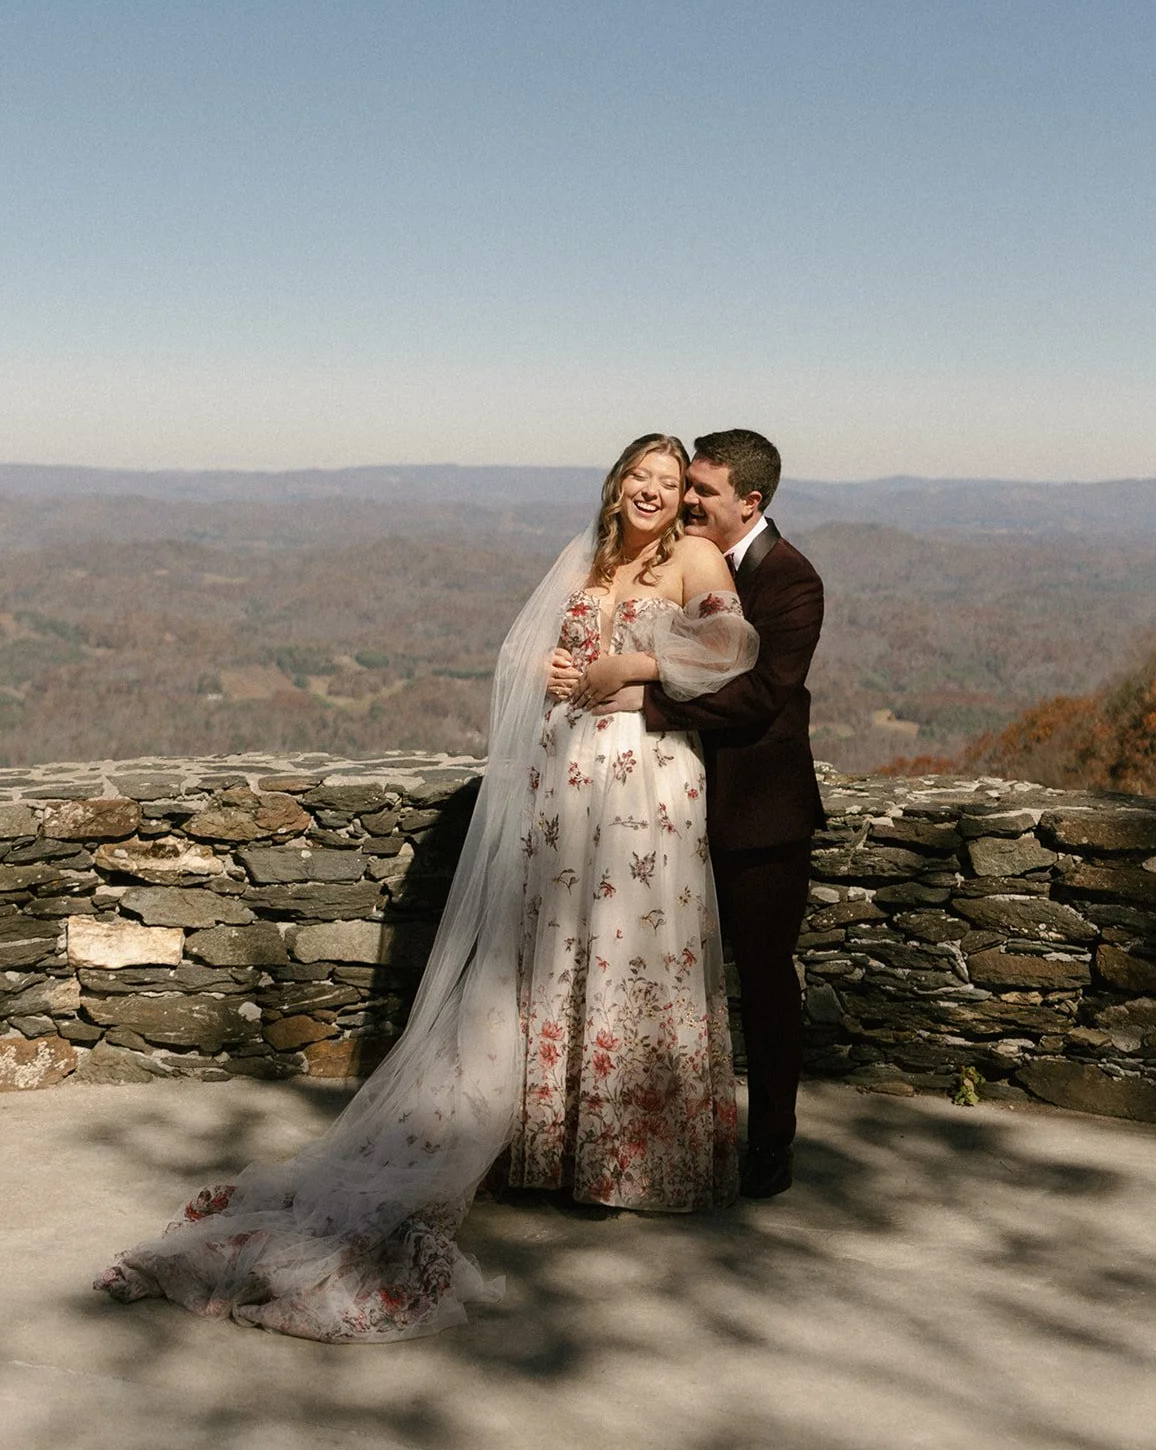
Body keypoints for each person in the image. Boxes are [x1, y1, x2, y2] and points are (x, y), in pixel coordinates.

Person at [95, 433, 757, 1341]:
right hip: (566, 783)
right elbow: (526, 665)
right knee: (553, 957)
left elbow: (729, 647)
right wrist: (559, 675)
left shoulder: (692, 554)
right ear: (615, 486)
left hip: (647, 787)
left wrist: (629, 672)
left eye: (668, 481)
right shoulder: (586, 561)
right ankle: (552, 1154)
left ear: (685, 496)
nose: (651, 491)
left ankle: (634, 1162)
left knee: (633, 952)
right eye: (637, 476)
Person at [567, 430, 824, 1199]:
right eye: (685, 487)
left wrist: (636, 694)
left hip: (754, 813)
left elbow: (758, 695)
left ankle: (771, 1142)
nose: (685, 502)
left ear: (750, 502)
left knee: (764, 977)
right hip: (654, 803)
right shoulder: (662, 558)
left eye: (701, 492)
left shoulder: (790, 580)